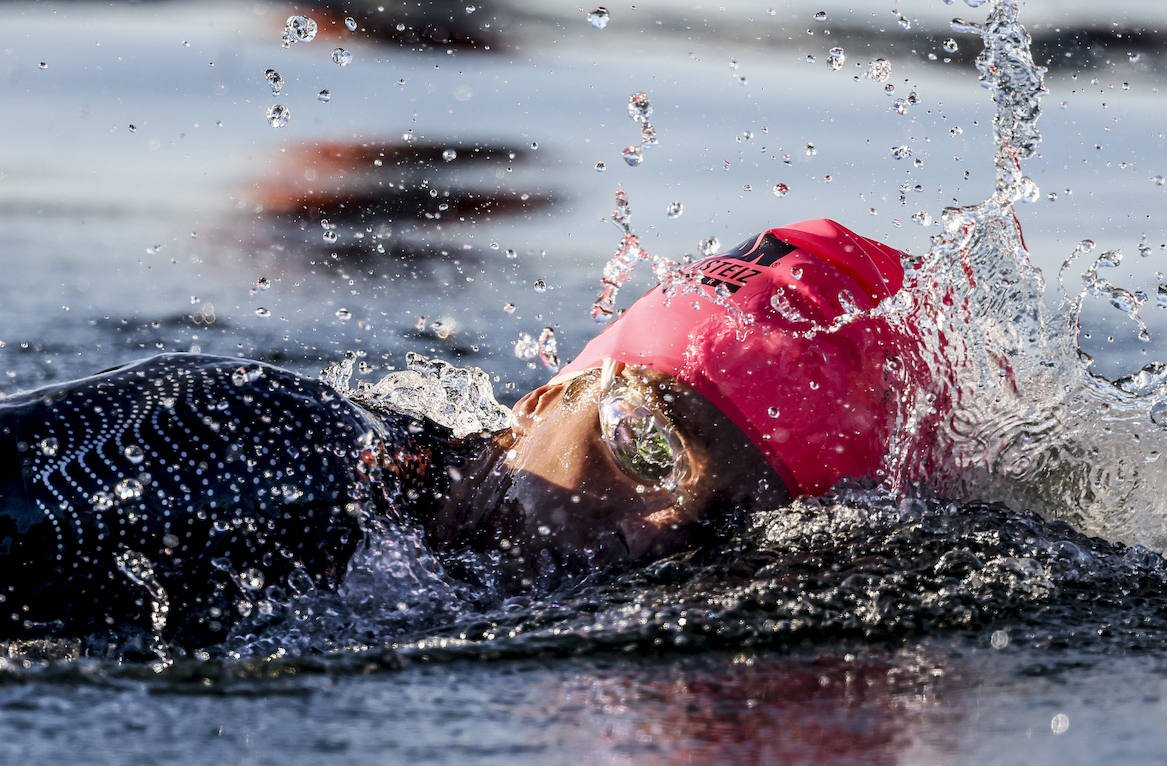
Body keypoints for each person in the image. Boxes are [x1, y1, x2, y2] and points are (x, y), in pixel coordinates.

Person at [0, 219, 931, 648]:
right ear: (545, 395)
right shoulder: (240, 444)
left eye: (724, 527)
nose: (654, 532)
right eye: (647, 447)